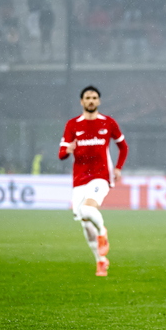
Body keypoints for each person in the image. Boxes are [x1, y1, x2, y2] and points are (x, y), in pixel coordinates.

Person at [58, 85, 128, 277]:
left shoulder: (108, 123)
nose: (91, 101)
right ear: (81, 101)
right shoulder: (72, 125)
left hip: (101, 177)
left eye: (94, 98)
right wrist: (68, 150)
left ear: (99, 101)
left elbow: (123, 147)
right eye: (87, 98)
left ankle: (102, 231)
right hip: (79, 179)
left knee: (88, 210)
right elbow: (61, 154)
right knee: (84, 221)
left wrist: (118, 167)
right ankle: (100, 261)